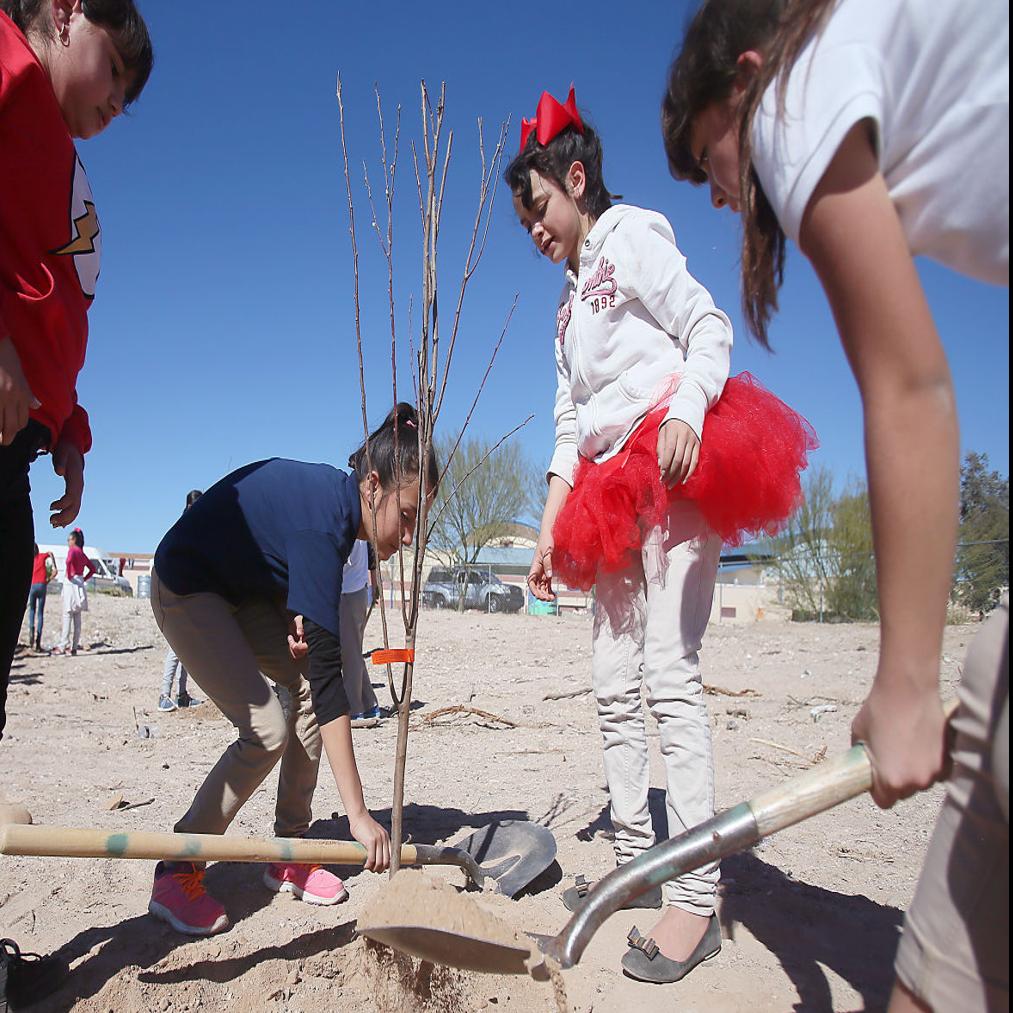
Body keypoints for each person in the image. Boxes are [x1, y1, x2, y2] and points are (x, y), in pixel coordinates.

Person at [663, 2, 1008, 1010]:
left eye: (708, 159)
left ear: (744, 78)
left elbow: (910, 388)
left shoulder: (795, 93)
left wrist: (904, 684)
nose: (722, 194)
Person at [505, 86, 815, 985]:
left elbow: (706, 324)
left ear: (575, 179)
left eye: (539, 209)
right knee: (610, 679)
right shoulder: (563, 311)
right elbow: (568, 426)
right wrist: (548, 525)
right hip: (604, 491)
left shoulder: (633, 236)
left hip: (673, 462)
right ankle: (638, 862)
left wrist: (686, 406)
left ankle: (695, 895)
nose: (534, 230)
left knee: (667, 673)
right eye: (524, 219)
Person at [147, 404, 437, 936]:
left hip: (237, 591)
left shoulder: (339, 516)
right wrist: (358, 814)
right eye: (410, 514)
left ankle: (289, 850)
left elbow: (262, 548)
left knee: (300, 686)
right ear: (373, 485)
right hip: (185, 585)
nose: (411, 533)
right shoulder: (323, 526)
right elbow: (333, 688)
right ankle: (178, 865)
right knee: (266, 730)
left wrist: (286, 611)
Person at [0, 0, 153, 1003]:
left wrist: (70, 434)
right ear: (63, 12)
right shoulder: (6, 74)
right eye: (116, 70)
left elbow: (43, 290)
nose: (118, 101)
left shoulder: (46, 136)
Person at [158, 489, 204, 711]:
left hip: (191, 593)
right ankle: (164, 695)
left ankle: (182, 694)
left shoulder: (193, 531)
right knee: (176, 648)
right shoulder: (183, 532)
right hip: (179, 593)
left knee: (186, 648)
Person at [342, 537, 382, 727]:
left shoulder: (352, 523)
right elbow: (373, 559)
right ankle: (369, 705)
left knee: (350, 653)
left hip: (348, 591)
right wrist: (375, 587)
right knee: (353, 650)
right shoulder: (361, 524)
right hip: (356, 591)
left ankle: (354, 708)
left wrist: (375, 588)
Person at [50, 526, 95, 655]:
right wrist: (84, 578)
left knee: (67, 615)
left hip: (71, 583)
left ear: (74, 539)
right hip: (79, 582)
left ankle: (63, 645)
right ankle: (74, 646)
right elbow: (92, 569)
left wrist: (69, 575)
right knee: (77, 617)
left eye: (69, 539)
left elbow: (69, 561)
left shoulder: (73, 551)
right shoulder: (82, 553)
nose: (68, 542)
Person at [26, 543, 56, 652]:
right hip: (42, 584)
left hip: (32, 585)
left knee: (32, 611)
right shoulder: (42, 556)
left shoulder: (30, 560)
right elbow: (51, 553)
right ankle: (38, 640)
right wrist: (54, 567)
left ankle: (31, 631)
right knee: (40, 613)